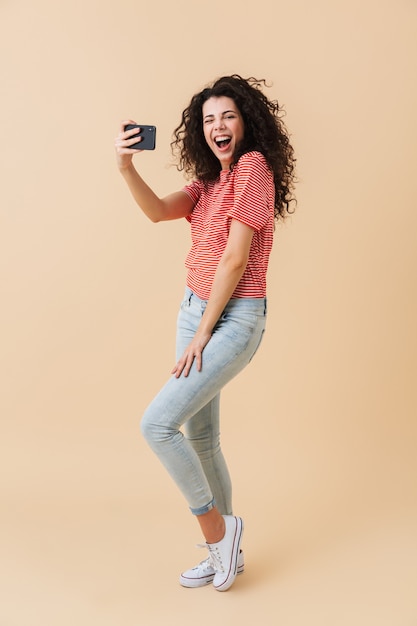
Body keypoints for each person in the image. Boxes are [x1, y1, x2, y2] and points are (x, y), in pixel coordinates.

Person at [114, 75, 296, 591]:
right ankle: (228, 557)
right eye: (210, 119)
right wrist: (126, 167)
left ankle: (218, 532)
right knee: (201, 436)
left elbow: (236, 259)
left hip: (233, 318)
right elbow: (157, 212)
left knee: (158, 425)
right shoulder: (208, 183)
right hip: (194, 311)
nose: (218, 126)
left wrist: (203, 334)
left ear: (247, 123)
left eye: (228, 116)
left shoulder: (254, 169)